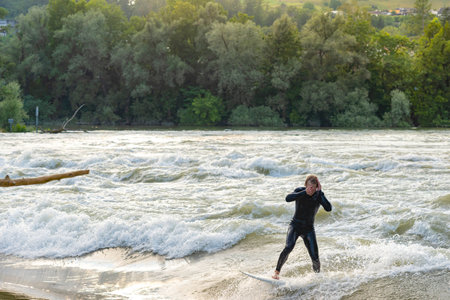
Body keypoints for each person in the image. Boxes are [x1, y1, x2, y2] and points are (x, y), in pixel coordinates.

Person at [272, 175, 332, 280]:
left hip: (309, 229)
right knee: (289, 247)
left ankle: (317, 277)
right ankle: (276, 272)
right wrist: (304, 192)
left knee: (315, 257)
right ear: (306, 185)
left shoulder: (318, 195)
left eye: (313, 187)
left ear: (317, 187)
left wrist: (320, 193)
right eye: (309, 187)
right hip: (295, 225)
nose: (311, 190)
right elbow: (287, 198)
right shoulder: (300, 191)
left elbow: (328, 208)